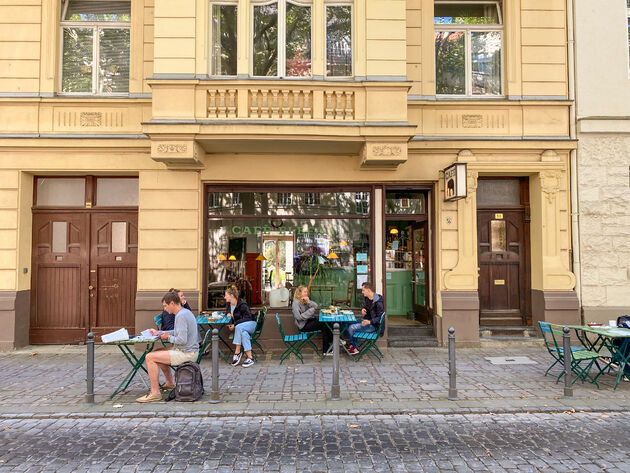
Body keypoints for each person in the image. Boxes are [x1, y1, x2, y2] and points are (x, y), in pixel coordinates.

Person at [136, 291, 200, 403]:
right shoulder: (185, 312)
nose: (165, 309)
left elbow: (181, 340)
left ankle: (155, 393)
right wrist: (159, 333)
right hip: (190, 350)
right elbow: (177, 331)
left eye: (165, 306)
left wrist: (167, 338)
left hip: (186, 353)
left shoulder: (180, 316)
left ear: (172, 303)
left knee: (150, 357)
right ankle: (169, 383)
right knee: (158, 351)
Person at [345, 282, 385, 355]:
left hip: (374, 326)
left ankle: (355, 348)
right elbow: (367, 306)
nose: (362, 292)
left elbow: (380, 318)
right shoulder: (367, 298)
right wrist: (364, 309)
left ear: (369, 290)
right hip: (366, 321)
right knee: (347, 323)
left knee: (351, 328)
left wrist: (370, 322)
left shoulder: (379, 302)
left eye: (363, 290)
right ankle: (353, 344)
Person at [292, 285, 332, 354]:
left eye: (307, 292)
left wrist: (308, 301)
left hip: (309, 321)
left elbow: (315, 306)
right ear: (299, 292)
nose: (306, 293)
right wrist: (310, 312)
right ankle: (328, 347)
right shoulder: (296, 303)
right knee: (324, 324)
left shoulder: (304, 300)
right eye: (305, 292)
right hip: (303, 326)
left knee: (326, 323)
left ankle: (330, 345)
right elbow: (298, 317)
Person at [225, 285, 256, 367]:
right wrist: (228, 313)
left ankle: (237, 352)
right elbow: (228, 310)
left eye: (226, 295)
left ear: (231, 296)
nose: (225, 297)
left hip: (251, 324)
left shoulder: (242, 304)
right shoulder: (229, 304)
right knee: (244, 334)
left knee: (238, 327)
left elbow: (248, 317)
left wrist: (235, 325)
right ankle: (250, 358)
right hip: (242, 328)